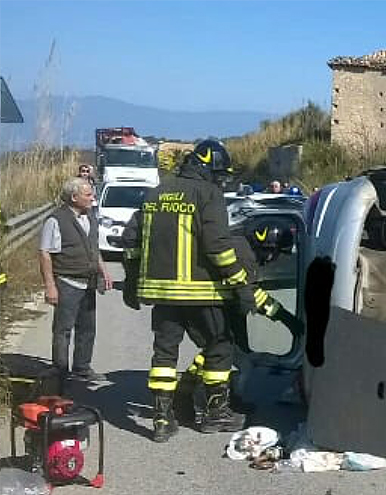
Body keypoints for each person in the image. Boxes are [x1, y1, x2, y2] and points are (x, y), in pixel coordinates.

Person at [121, 139, 256, 442]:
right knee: (218, 349)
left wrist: (131, 283)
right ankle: (215, 412)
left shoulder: (156, 192)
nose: (220, 179)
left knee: (165, 354)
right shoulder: (209, 194)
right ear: (207, 168)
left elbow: (131, 240)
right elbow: (217, 247)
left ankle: (161, 418)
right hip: (201, 293)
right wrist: (241, 284)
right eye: (219, 173)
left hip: (163, 295)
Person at [172, 220, 302, 425]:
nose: (274, 259)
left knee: (220, 352)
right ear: (266, 247)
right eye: (275, 253)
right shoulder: (245, 256)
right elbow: (251, 296)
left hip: (217, 305)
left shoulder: (240, 247)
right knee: (221, 352)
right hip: (213, 306)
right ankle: (208, 404)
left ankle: (207, 395)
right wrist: (285, 318)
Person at [38, 177, 113, 384]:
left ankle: (82, 368)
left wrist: (104, 271)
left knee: (87, 329)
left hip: (88, 281)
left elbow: (93, 248)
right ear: (73, 197)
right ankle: (60, 369)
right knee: (63, 329)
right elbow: (45, 253)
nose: (93, 198)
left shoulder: (90, 216)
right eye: (88, 195)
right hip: (67, 282)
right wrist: (50, 286)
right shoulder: (56, 220)